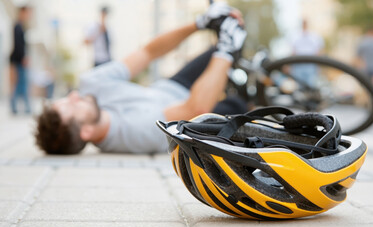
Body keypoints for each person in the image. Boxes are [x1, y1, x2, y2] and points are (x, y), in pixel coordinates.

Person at [35, 3, 247, 155]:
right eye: (70, 106)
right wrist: (227, 50)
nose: (73, 95)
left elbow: (147, 53)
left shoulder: (90, 84)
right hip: (189, 112)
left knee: (225, 35)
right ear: (86, 131)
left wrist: (200, 23)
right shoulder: (132, 135)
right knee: (237, 105)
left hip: (170, 87)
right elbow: (195, 109)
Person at [9, 6, 32, 114]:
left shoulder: (21, 26)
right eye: (27, 13)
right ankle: (24, 107)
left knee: (19, 84)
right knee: (20, 84)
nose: (28, 16)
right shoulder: (18, 27)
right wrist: (23, 57)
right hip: (18, 60)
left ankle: (17, 107)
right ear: (22, 13)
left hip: (18, 59)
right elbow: (18, 45)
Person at [291, 19, 324, 88]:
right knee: (299, 86)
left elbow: (319, 51)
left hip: (311, 65)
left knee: (311, 85)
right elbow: (293, 51)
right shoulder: (296, 36)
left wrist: (319, 65)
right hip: (298, 65)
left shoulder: (314, 36)